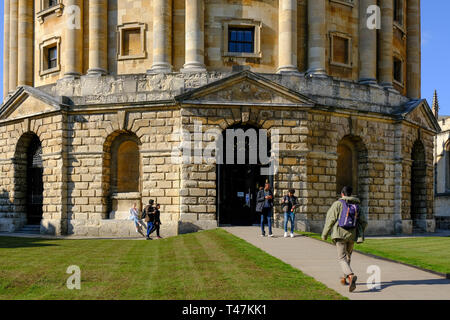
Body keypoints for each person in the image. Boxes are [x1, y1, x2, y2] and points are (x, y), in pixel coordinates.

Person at [321, 186, 367, 293]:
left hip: (339, 234)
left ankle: (350, 275)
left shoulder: (337, 204)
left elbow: (330, 219)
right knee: (348, 256)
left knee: (342, 258)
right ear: (351, 194)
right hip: (352, 235)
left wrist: (325, 234)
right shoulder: (357, 205)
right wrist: (359, 231)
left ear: (342, 194)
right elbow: (364, 222)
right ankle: (345, 278)